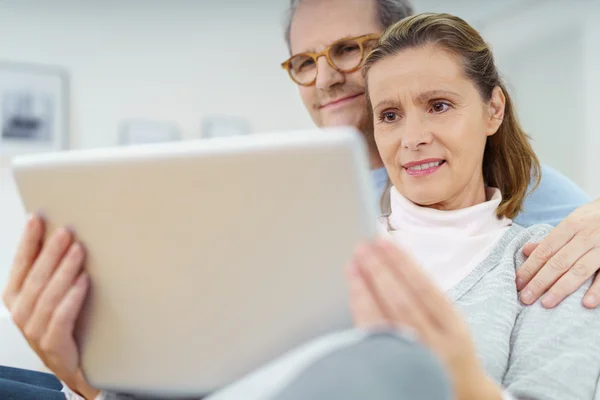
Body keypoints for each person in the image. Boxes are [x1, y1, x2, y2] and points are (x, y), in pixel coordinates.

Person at [2, 0, 600, 398]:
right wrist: (85, 378)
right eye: (390, 113)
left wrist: (462, 381)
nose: (326, 78)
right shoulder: (295, 232)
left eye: (439, 105)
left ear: (492, 109)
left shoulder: (548, 249)